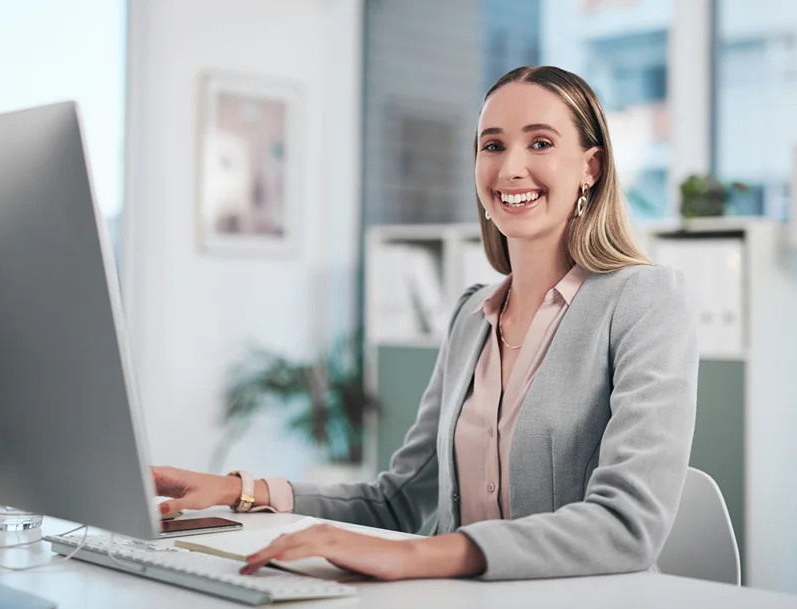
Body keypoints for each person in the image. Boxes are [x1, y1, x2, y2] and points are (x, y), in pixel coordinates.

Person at [152, 65, 698, 581]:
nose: (510, 168)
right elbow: (399, 500)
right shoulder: (472, 315)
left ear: (591, 167)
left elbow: (630, 526)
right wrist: (242, 490)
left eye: (540, 143)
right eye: (492, 145)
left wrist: (416, 555)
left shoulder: (645, 300)